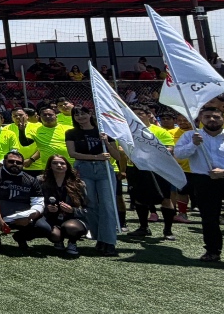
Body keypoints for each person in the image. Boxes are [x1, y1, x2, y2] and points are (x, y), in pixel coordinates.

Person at [172, 106, 224, 262]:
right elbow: (179, 154)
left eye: (216, 117)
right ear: (200, 119)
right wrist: (194, 144)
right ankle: (212, 251)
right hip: (204, 181)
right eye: (207, 116)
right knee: (209, 218)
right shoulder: (190, 136)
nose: (212, 119)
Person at [64, 105, 121, 255]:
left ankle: (109, 241)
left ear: (90, 114)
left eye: (83, 113)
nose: (80, 117)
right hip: (84, 169)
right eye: (76, 115)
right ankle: (98, 237)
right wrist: (96, 157)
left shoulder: (104, 131)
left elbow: (117, 156)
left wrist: (107, 143)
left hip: (104, 170)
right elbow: (72, 154)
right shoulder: (71, 133)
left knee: (108, 206)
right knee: (90, 205)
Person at [125, 104, 177, 240]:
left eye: (140, 114)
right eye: (133, 114)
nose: (136, 117)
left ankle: (168, 231)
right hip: (135, 169)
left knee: (165, 199)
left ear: (149, 116)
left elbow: (169, 149)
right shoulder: (127, 131)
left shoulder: (159, 131)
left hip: (157, 170)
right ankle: (143, 227)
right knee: (139, 199)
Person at [0, 150, 49, 253]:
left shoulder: (31, 180)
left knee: (45, 228)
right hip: (1, 212)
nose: (15, 164)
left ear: (23, 164)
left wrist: (29, 218)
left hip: (24, 214)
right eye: (11, 161)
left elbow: (39, 203)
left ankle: (20, 237)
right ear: (4, 162)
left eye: (18, 162)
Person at [40, 155, 88, 257]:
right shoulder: (41, 181)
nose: (59, 165)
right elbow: (35, 202)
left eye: (62, 163)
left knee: (70, 227)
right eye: (55, 163)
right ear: (49, 165)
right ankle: (59, 240)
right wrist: (47, 208)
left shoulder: (78, 184)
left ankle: (72, 242)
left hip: (73, 219)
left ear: (67, 166)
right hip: (51, 218)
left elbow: (87, 208)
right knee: (54, 235)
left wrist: (73, 210)